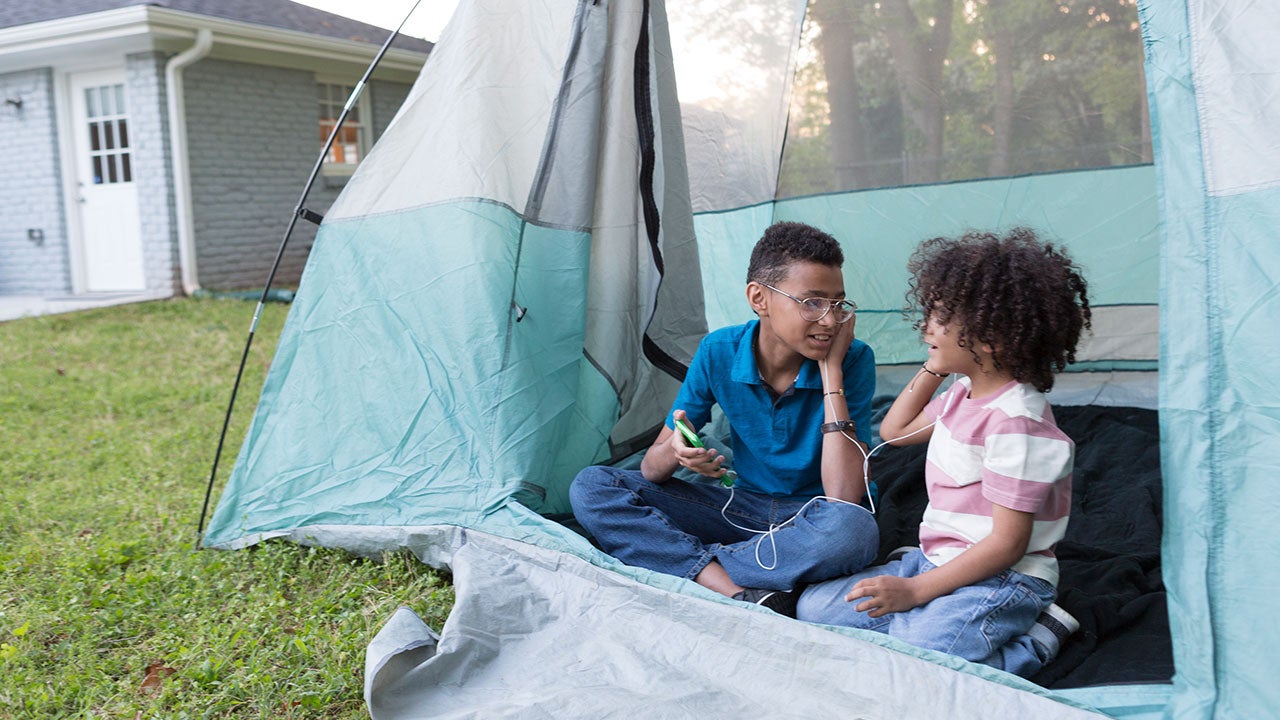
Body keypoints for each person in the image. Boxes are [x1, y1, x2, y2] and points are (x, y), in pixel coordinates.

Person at [796, 227, 1091, 677]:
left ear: (988, 339)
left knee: (923, 655)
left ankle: (1040, 635)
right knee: (813, 609)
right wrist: (935, 365)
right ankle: (927, 609)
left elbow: (1007, 545)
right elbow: (893, 431)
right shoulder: (964, 392)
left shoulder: (1017, 425)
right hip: (938, 559)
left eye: (938, 319)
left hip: (1005, 577)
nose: (925, 328)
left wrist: (914, 593)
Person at [570, 221, 880, 616]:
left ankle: (700, 563)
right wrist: (678, 452)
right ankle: (732, 586)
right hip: (741, 509)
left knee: (855, 531)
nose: (830, 320)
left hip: (811, 518)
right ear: (759, 298)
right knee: (593, 486)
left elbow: (843, 498)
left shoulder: (853, 359)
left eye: (838, 304)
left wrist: (831, 372)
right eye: (812, 302)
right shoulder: (718, 350)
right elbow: (651, 468)